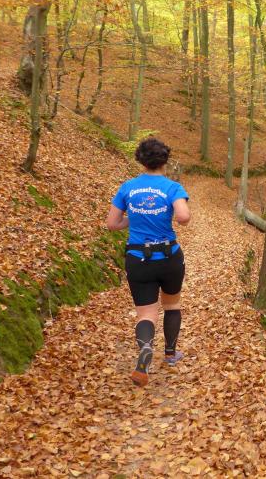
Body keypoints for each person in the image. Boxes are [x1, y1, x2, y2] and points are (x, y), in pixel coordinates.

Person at [106, 138, 191, 387]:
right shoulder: (172, 187)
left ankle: (145, 351)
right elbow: (183, 217)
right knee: (172, 305)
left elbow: (112, 224)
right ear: (165, 160)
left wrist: (133, 219)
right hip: (168, 257)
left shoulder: (128, 188)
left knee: (146, 313)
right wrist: (170, 214)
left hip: (138, 259)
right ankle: (170, 354)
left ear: (141, 161)